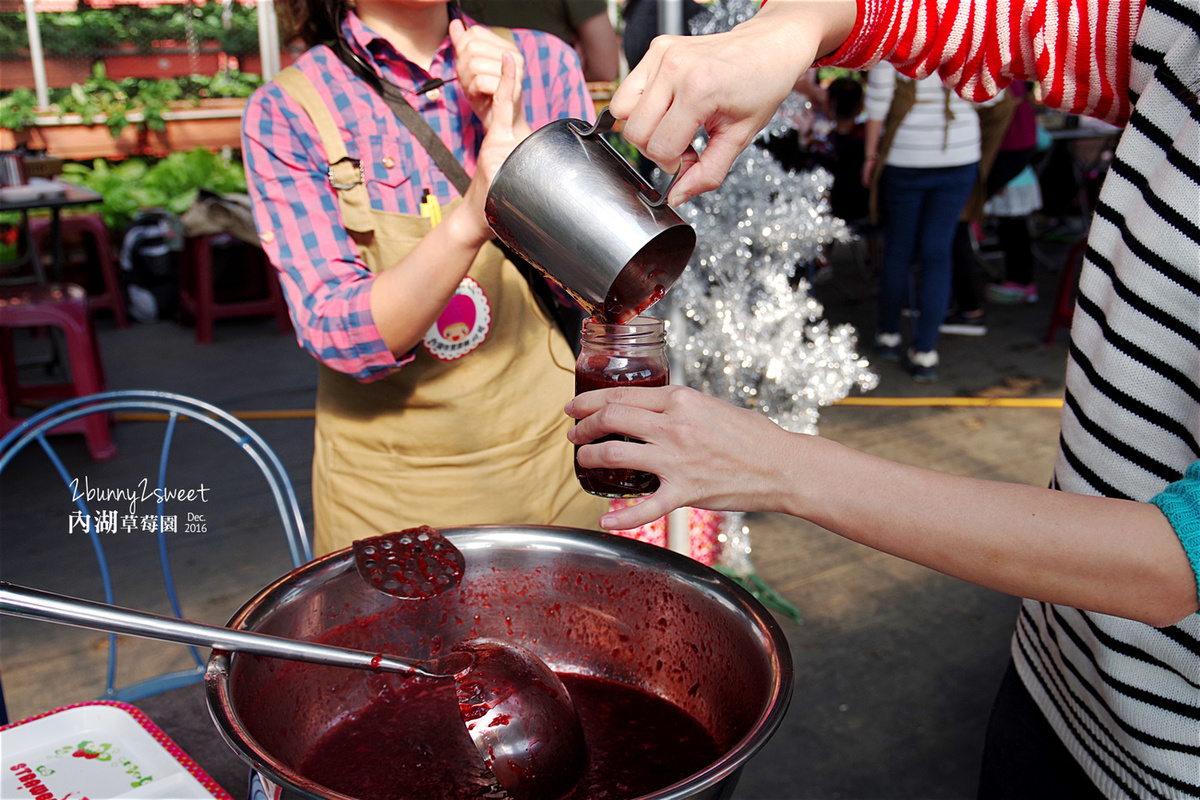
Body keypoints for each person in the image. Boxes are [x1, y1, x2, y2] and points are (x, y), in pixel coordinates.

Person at [568, 0, 1200, 798]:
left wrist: (777, 465)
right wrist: (793, 28)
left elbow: (1173, 562)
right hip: (1058, 680)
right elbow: (1017, 23)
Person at [242, 0, 605, 556]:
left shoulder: (543, 63)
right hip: (393, 501)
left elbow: (600, 277)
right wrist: (469, 220)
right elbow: (338, 333)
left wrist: (523, 145)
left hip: (551, 464)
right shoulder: (287, 109)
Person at [861, 63, 995, 381]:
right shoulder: (968, 28)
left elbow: (878, 101)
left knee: (898, 249)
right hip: (960, 155)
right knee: (938, 253)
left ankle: (889, 336)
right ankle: (925, 353)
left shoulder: (894, 32)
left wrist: (869, 156)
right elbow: (990, 98)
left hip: (905, 155)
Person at [460, 0, 620, 82]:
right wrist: (565, 65)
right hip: (554, 120)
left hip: (469, 102)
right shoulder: (558, 59)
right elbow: (606, 68)